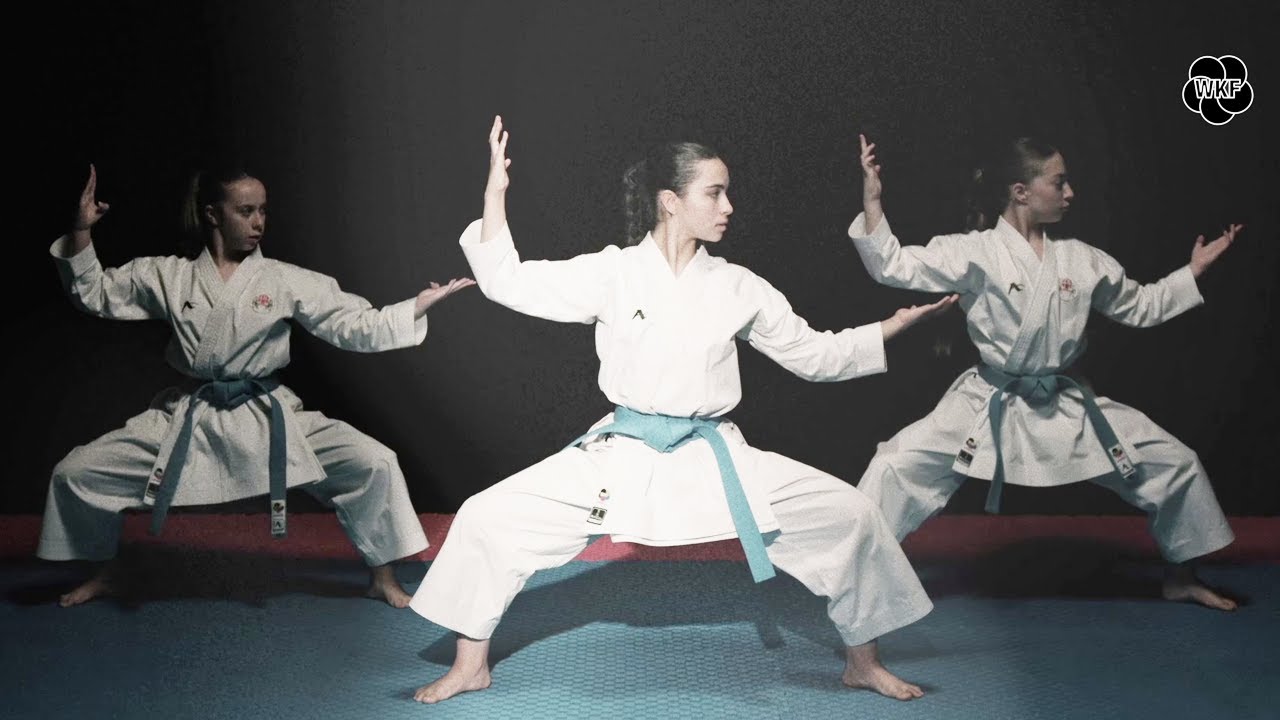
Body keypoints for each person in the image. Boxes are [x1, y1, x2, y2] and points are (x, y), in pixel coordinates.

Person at [408, 116, 959, 704]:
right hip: (622, 455)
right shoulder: (614, 272)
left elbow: (815, 356)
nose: (729, 207)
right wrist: (495, 191)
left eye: (727, 193)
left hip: (713, 457)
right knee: (486, 515)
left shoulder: (739, 286)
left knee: (852, 515)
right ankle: (470, 665)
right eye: (714, 193)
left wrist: (890, 327)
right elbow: (509, 282)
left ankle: (863, 663)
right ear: (670, 201)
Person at [38, 163, 475, 608]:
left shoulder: (283, 279)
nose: (258, 222)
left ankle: (382, 577)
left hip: (268, 415)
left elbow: (354, 324)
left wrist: (414, 307)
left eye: (263, 210)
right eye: (245, 211)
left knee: (373, 462)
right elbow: (95, 292)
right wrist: (81, 230)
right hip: (193, 415)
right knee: (79, 472)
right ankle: (105, 571)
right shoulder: (169, 276)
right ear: (213, 214)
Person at [849, 133, 1242, 610]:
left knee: (1174, 463)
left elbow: (1141, 305)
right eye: (1059, 182)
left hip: (1065, 403)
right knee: (893, 465)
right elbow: (893, 265)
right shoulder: (974, 251)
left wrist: (1192, 272)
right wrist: (873, 200)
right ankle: (858, 574)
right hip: (988, 400)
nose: (1070, 193)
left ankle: (1181, 576)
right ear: (1021, 191)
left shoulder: (1082, 259)